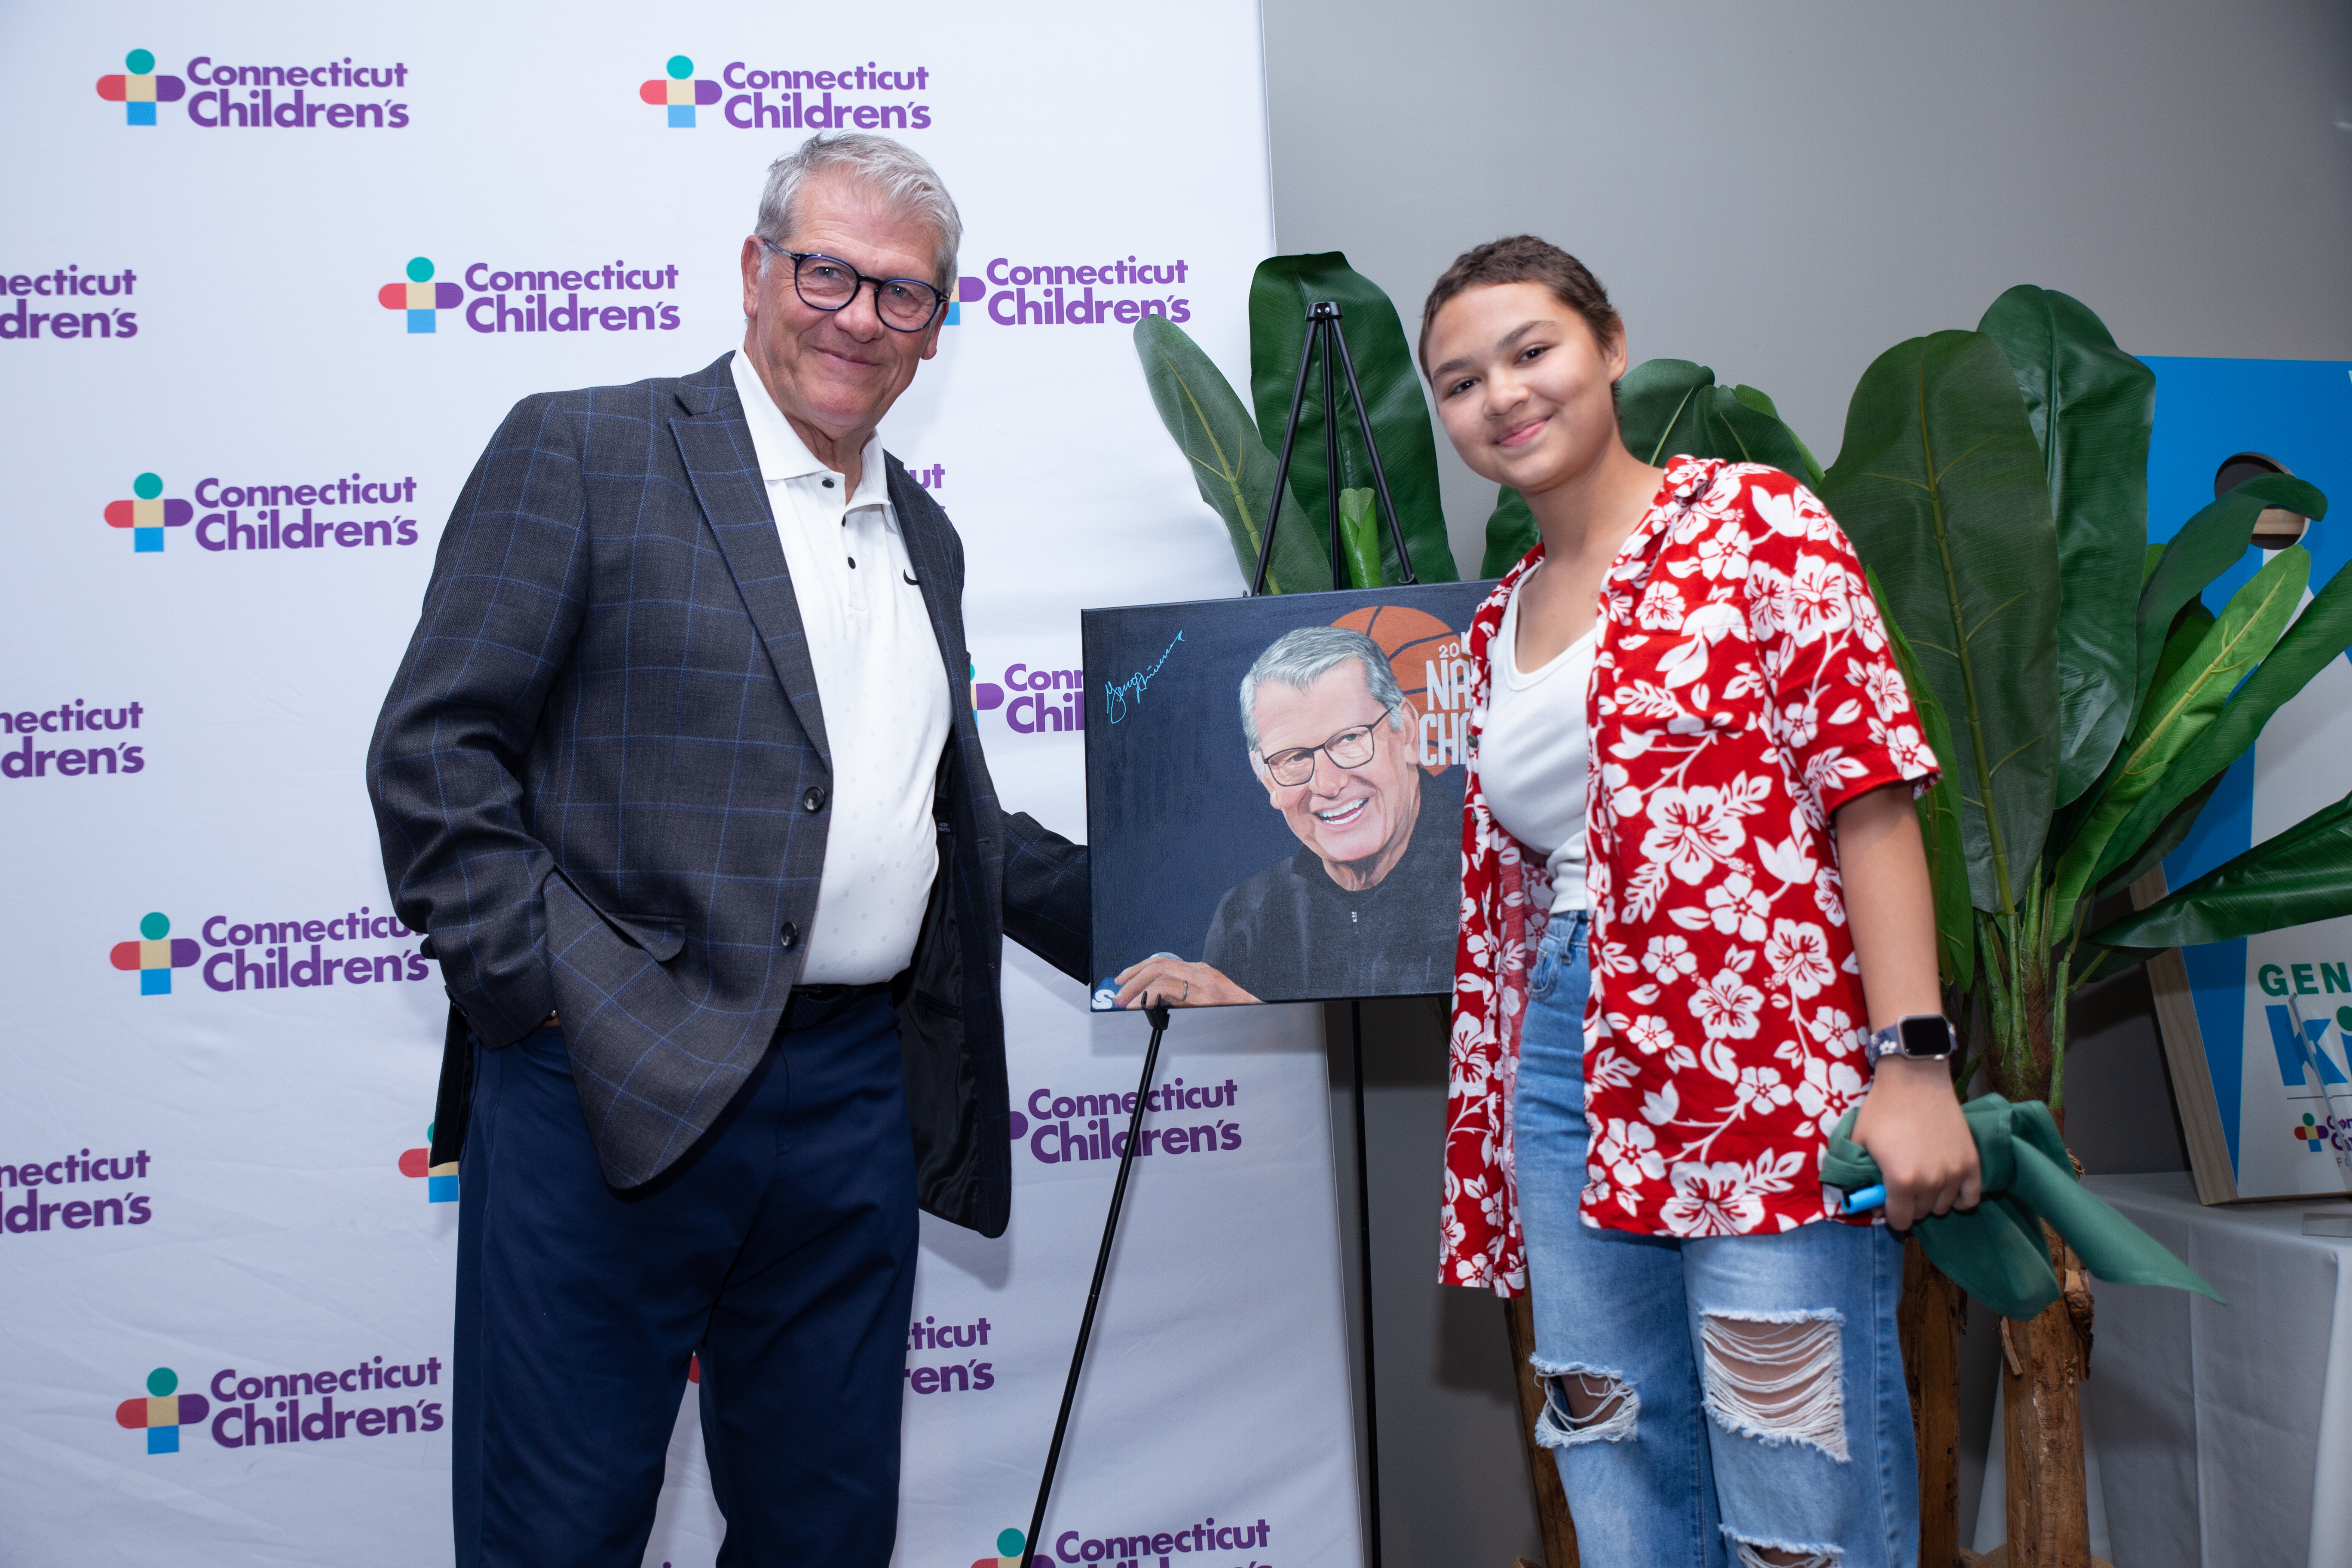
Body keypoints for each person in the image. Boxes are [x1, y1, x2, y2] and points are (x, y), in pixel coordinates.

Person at [365, 133, 1089, 1568]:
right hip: (605, 1092)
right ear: (757, 271)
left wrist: (1205, 906)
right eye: (828, 270)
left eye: (904, 292)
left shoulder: (920, 532)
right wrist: (559, 1006)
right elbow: (438, 751)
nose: (860, 315)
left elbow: (947, 826)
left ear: (937, 326)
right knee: (557, 1530)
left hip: (848, 1100)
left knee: (822, 1531)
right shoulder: (585, 447)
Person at [1420, 236, 1980, 1568]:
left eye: (1530, 350)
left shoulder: (1753, 523)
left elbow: (1874, 796)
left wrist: (1910, 1061)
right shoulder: (1497, 615)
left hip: (1766, 1066)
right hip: (1563, 1055)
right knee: (1615, 1450)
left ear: (1611, 346)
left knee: (1796, 1472)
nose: (1500, 394)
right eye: (1458, 380)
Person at [1110, 625, 1458, 1007]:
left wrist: (1249, 1010)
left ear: (1406, 733)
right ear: (1265, 779)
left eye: (1349, 739)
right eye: (1293, 758)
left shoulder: (1494, 879)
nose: (1327, 784)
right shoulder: (1247, 914)